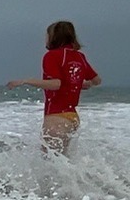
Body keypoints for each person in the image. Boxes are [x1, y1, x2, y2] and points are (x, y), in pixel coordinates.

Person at [7, 21, 99, 151]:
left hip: (56, 116)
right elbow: (96, 80)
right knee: (62, 159)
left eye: (47, 35)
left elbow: (55, 84)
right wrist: (80, 83)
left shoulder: (52, 56)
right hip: (72, 117)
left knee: (48, 158)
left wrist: (26, 81)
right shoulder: (79, 56)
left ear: (54, 37)